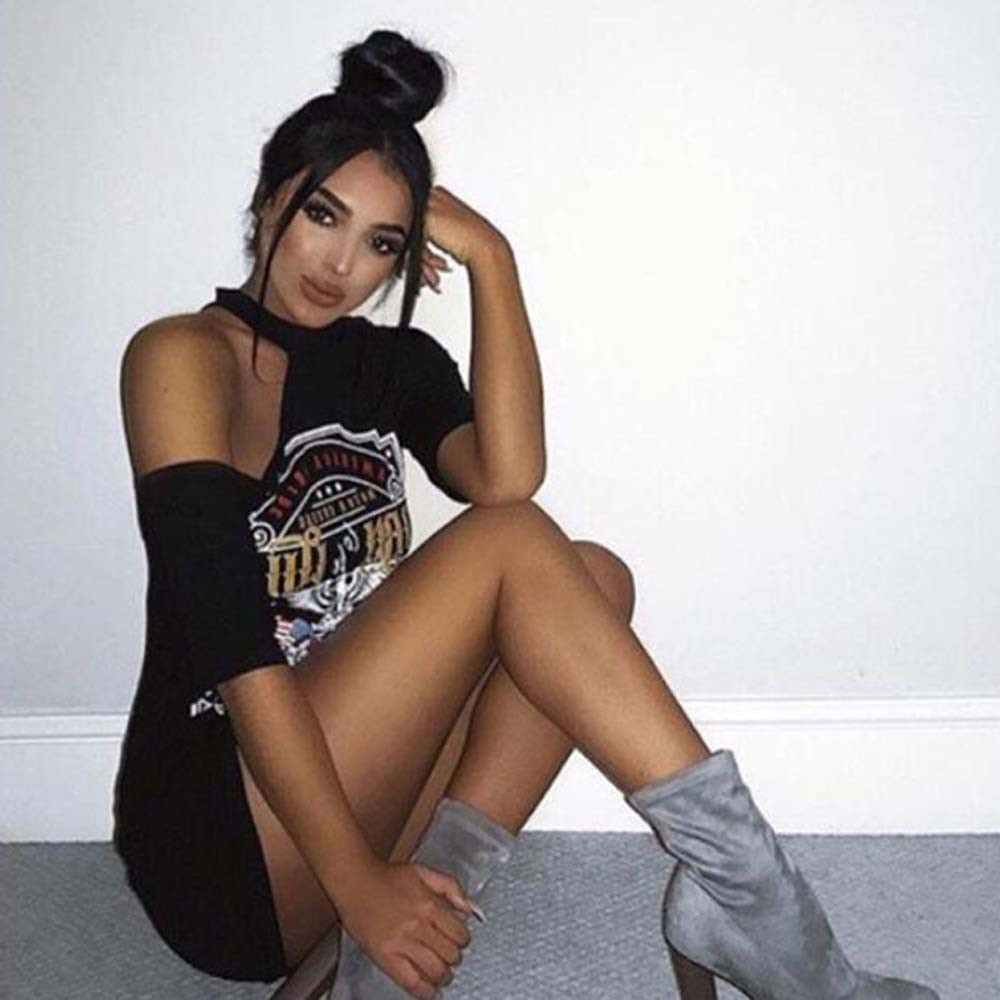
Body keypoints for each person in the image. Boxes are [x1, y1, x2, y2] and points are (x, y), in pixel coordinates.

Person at [111, 27, 939, 1000]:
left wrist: (492, 259)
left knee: (589, 578)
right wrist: (360, 886)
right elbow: (235, 648)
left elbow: (508, 477)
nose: (339, 264)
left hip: (358, 785)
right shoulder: (181, 356)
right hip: (224, 829)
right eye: (322, 215)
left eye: (381, 242)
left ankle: (380, 963)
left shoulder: (392, 364)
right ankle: (769, 926)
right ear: (267, 200)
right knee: (514, 548)